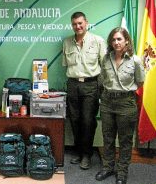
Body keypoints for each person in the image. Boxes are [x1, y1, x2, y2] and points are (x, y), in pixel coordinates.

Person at [95, 27, 145, 184]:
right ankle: (108, 167)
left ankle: (122, 171)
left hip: (126, 103)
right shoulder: (105, 58)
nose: (116, 42)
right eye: (113, 39)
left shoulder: (135, 60)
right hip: (108, 102)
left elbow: (140, 81)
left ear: (126, 41)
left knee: (125, 140)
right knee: (108, 137)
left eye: (119, 39)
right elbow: (102, 80)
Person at [62, 12, 106, 169]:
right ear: (71, 25)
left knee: (88, 120)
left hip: (91, 85)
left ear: (86, 23)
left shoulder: (98, 41)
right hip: (73, 84)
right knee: (74, 119)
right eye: (74, 24)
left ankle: (87, 154)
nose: (77, 26)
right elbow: (66, 65)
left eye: (80, 23)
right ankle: (79, 151)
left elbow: (105, 67)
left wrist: (100, 89)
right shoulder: (67, 42)